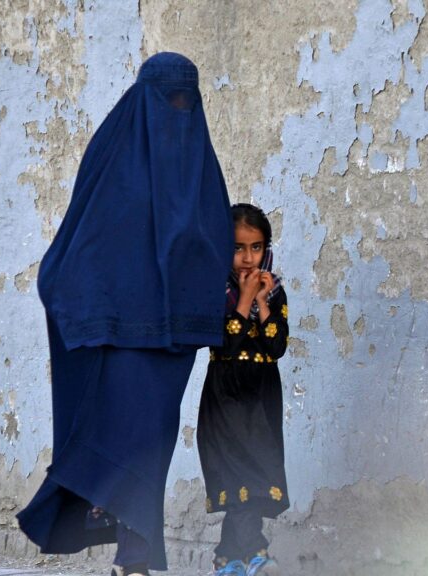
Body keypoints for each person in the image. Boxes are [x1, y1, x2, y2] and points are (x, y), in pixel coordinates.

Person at [16, 52, 234, 576]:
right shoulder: (113, 152)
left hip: (172, 341)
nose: (178, 112)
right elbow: (82, 238)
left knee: (151, 447)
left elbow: (213, 240)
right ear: (145, 99)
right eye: (169, 101)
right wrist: (85, 304)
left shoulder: (200, 166)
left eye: (187, 101)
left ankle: (133, 558)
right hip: (117, 335)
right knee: (120, 443)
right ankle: (131, 557)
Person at [199, 203, 289, 576]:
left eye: (255, 247)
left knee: (255, 479)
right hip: (226, 399)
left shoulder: (275, 290)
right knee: (242, 480)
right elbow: (224, 345)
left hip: (261, 399)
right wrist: (245, 299)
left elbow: (276, 346)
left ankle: (227, 560)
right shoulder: (215, 291)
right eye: (237, 248)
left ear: (266, 247)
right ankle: (256, 553)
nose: (247, 258)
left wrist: (263, 303)